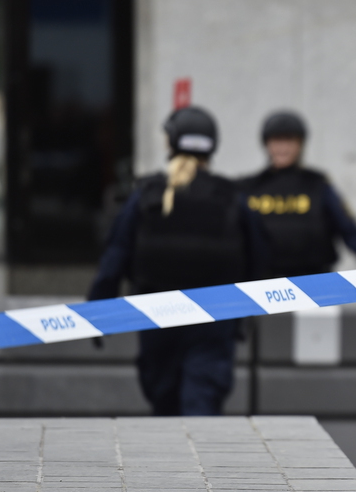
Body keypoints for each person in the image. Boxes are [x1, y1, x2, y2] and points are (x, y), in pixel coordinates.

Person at [87, 106, 265, 416]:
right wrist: (244, 318)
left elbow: (115, 256)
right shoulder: (231, 198)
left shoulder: (146, 196)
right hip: (214, 322)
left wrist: (98, 313)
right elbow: (259, 259)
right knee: (201, 410)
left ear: (170, 143)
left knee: (164, 411)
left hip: (158, 320)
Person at [238, 110, 356, 279]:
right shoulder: (249, 188)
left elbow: (348, 226)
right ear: (266, 143)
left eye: (289, 140)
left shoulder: (318, 185)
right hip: (263, 287)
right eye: (277, 140)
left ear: (300, 144)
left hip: (316, 284)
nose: (283, 148)